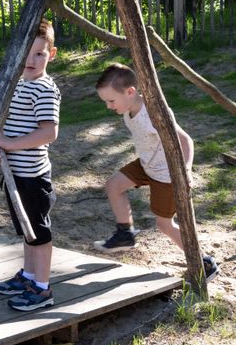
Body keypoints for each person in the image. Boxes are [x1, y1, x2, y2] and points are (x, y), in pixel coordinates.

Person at [93, 63, 219, 281]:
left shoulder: (154, 114)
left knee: (164, 224)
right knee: (114, 185)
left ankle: (204, 262)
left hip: (166, 175)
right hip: (147, 164)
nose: (108, 106)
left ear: (130, 92)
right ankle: (125, 234)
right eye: (105, 102)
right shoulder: (128, 111)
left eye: (111, 101)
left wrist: (185, 171)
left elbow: (185, 140)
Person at [0, 18, 61, 312]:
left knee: (39, 233)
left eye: (40, 54)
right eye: (27, 54)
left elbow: (49, 132)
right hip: (16, 172)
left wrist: (9, 144)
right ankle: (29, 276)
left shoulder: (43, 89)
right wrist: (0, 153)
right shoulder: (19, 85)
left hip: (33, 176)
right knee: (26, 229)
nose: (32, 61)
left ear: (51, 54)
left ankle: (42, 289)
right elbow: (14, 129)